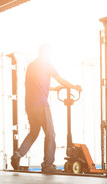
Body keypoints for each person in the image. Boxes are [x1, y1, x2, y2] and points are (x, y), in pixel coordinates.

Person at [10, 44, 81, 173]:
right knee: (50, 133)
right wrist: (74, 87)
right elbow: (60, 80)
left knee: (34, 132)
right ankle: (48, 164)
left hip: (30, 105)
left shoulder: (32, 65)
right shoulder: (47, 65)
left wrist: (54, 89)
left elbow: (36, 85)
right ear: (47, 53)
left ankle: (17, 155)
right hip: (41, 105)